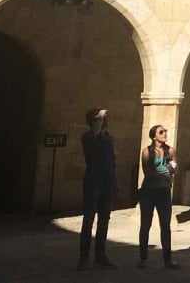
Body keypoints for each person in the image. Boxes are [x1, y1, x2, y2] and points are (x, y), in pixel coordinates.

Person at [79, 107, 117, 270]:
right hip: (93, 182)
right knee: (88, 220)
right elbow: (94, 135)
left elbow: (112, 161)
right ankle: (84, 257)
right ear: (93, 121)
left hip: (107, 182)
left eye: (105, 118)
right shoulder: (88, 137)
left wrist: (115, 183)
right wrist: (99, 117)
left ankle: (100, 255)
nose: (105, 119)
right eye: (101, 118)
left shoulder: (109, 138)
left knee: (104, 221)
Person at [139, 124, 181, 269]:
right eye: (161, 132)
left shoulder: (170, 150)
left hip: (164, 192)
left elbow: (174, 168)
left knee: (165, 226)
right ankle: (143, 258)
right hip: (149, 191)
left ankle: (167, 259)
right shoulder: (147, 152)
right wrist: (163, 176)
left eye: (165, 131)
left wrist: (173, 169)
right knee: (146, 224)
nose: (164, 134)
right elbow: (148, 173)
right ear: (154, 136)